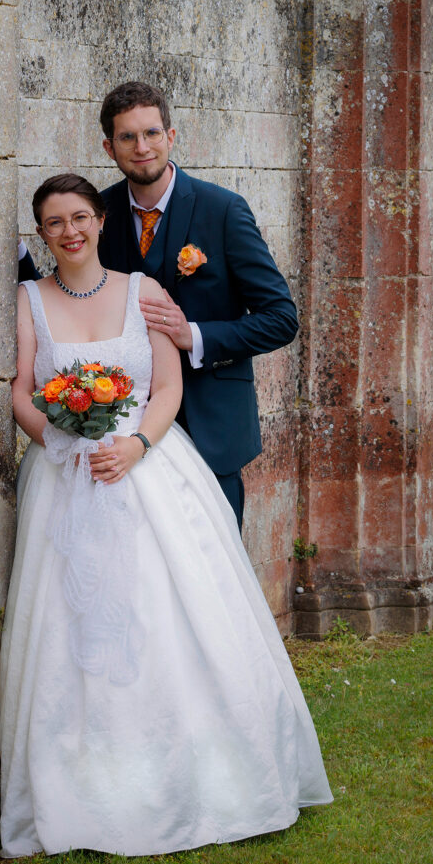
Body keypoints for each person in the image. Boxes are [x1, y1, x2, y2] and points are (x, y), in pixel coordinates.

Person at [0, 171, 332, 858]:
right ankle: (84, 779)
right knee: (70, 621)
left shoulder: (145, 291)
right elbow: (23, 390)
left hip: (149, 466)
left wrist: (135, 445)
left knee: (169, 612)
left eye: (80, 217)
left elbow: (170, 385)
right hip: (66, 473)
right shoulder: (28, 300)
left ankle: (190, 769)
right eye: (54, 222)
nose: (69, 231)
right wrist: (61, 441)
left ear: (99, 221)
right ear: (42, 233)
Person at [97, 81, 299, 530]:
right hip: (125, 427)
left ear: (171, 136)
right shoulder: (98, 215)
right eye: (128, 137)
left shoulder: (223, 210)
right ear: (110, 147)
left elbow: (281, 319)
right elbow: (71, 298)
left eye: (151, 133)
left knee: (216, 569)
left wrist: (196, 336)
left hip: (213, 427)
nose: (142, 147)